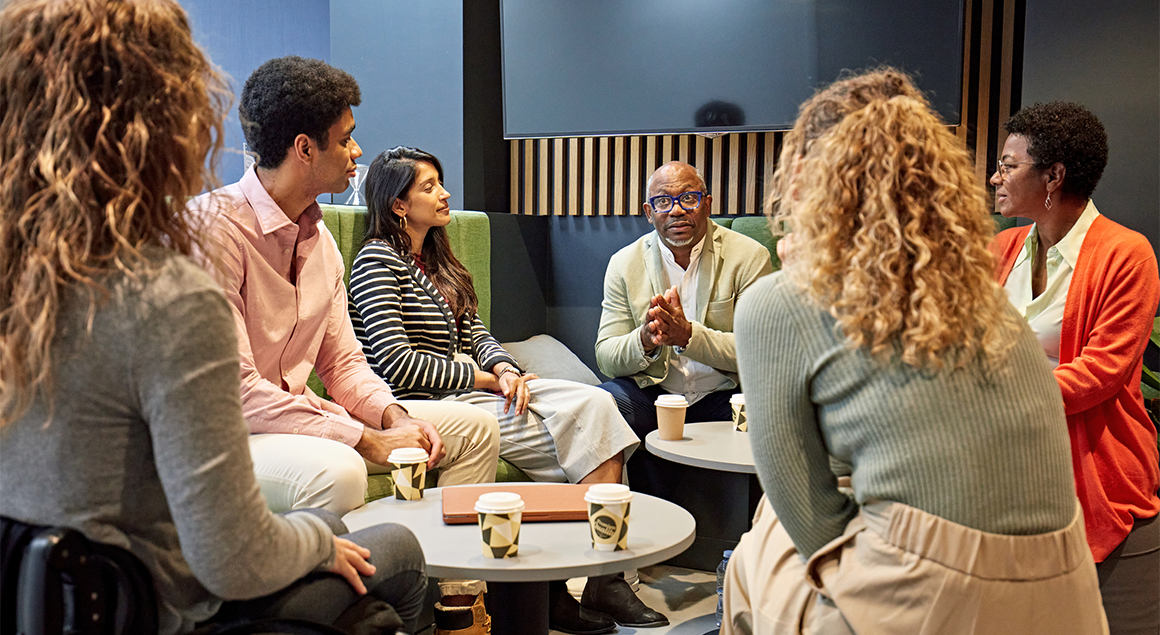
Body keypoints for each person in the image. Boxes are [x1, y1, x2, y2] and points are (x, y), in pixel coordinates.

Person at [0, 0, 426, 633]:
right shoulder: (165, 295)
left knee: (342, 550)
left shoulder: (23, 278)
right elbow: (233, 559)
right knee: (397, 549)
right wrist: (317, 539)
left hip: (45, 604)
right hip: (165, 608)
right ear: (166, 130)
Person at [725, 69, 1107, 634]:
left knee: (756, 548)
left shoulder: (782, 301)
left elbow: (808, 517)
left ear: (804, 177)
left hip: (932, 596)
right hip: (1065, 590)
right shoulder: (987, 298)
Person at [348, 146, 646, 635]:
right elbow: (395, 363)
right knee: (585, 448)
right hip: (424, 401)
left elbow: (476, 332)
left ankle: (595, 581)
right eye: (429, 187)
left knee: (597, 404)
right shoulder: (376, 261)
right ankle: (582, 584)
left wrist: (504, 368)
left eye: (441, 183)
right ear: (398, 204)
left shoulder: (439, 260)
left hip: (475, 389)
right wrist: (484, 379)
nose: (445, 194)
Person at [191, 56, 500, 517]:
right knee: (339, 471)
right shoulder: (213, 231)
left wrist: (394, 417)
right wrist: (366, 439)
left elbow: (343, 364)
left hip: (298, 419)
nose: (356, 151)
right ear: (305, 148)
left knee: (475, 429)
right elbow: (235, 392)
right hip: (223, 435)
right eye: (345, 139)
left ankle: (438, 566)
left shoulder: (321, 242)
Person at [989, 101, 1160, 633]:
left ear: (1054, 176)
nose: (995, 177)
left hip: (1097, 474)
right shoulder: (1001, 249)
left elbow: (1100, 373)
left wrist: (991, 394)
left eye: (1008, 165)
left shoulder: (1126, 254)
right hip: (1007, 478)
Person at [595, 160, 773, 441]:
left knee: (774, 408)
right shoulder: (623, 264)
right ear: (649, 213)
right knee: (597, 405)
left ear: (707, 204)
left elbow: (759, 350)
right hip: (654, 397)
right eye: (663, 202)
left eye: (688, 198)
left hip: (726, 395)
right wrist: (644, 339)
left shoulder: (749, 257)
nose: (676, 210)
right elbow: (607, 357)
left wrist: (687, 335)